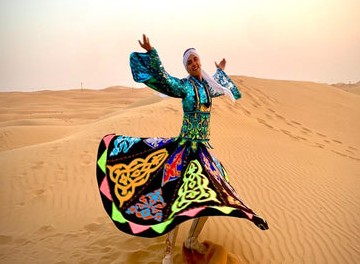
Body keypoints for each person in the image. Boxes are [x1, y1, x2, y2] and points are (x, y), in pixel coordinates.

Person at [96, 34, 268, 264]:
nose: (194, 64)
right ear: (186, 68)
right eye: (189, 62)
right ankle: (168, 251)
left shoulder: (208, 86)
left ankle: (191, 239)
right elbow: (165, 79)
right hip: (184, 150)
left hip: (202, 152)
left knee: (212, 194)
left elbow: (219, 86)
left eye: (196, 59)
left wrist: (221, 71)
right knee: (173, 198)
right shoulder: (184, 86)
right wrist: (152, 54)